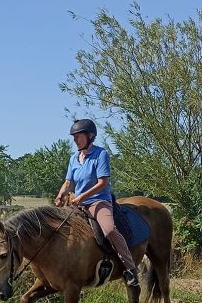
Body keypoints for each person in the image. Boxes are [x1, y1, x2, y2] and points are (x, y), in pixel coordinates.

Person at [54, 119, 140, 286]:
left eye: (78, 136)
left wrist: (81, 197)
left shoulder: (101, 154)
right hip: (78, 204)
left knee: (109, 230)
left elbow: (102, 183)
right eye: (74, 137)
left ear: (90, 136)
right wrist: (59, 195)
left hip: (98, 202)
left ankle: (130, 269)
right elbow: (68, 183)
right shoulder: (74, 158)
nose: (75, 140)